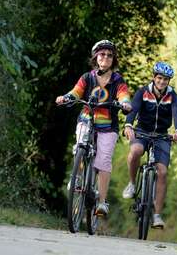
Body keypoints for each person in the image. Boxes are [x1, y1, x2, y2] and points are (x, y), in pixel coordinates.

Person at [56, 39, 132, 216]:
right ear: (96, 57)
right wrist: (65, 98)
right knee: (81, 145)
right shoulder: (87, 77)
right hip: (87, 119)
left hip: (107, 126)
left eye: (110, 55)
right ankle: (77, 177)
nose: (105, 57)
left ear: (113, 59)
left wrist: (125, 104)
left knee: (103, 161)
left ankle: (102, 202)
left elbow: (123, 95)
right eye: (102, 54)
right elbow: (75, 92)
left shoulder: (117, 80)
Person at [122, 61, 177, 229]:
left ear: (169, 81)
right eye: (159, 78)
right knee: (136, 150)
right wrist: (128, 125)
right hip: (141, 132)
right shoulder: (143, 92)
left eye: (165, 79)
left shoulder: (173, 95)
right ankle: (133, 184)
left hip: (162, 136)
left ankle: (157, 215)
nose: (162, 82)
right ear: (154, 77)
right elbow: (133, 110)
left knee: (163, 172)